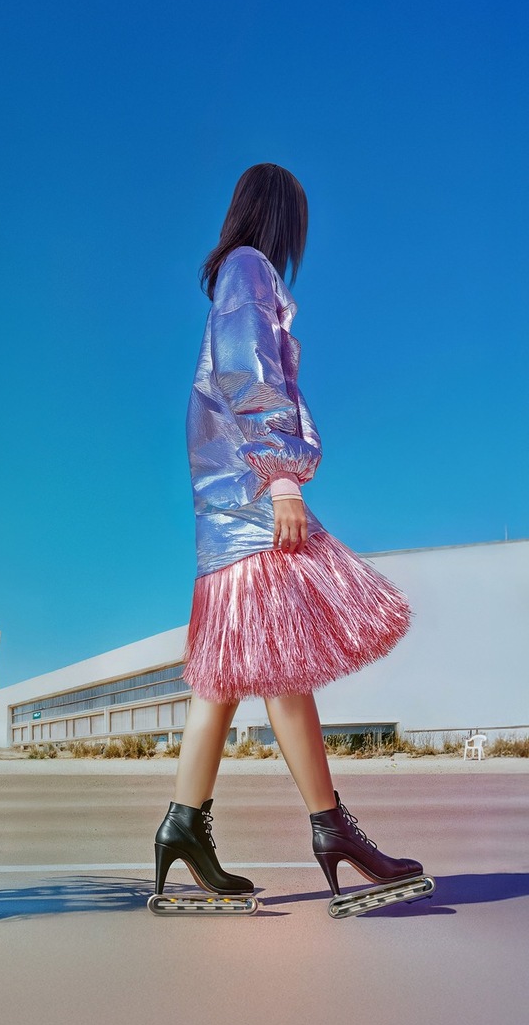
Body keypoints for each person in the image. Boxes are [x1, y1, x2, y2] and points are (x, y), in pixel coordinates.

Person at [153, 163, 425, 915]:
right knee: (277, 665)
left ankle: (184, 825)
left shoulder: (233, 276)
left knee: (228, 677)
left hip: (222, 514)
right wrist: (281, 476)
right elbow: (248, 373)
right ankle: (331, 829)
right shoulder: (248, 269)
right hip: (249, 503)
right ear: (280, 217)